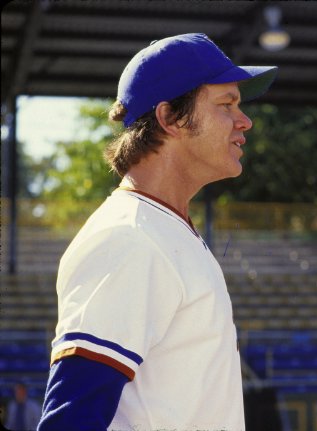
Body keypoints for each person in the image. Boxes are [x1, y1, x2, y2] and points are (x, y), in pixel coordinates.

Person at [37, 33, 277, 431]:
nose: (245, 120)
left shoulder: (162, 228)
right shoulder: (128, 237)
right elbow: (71, 419)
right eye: (226, 104)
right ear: (169, 118)